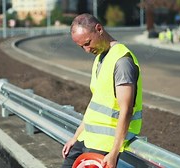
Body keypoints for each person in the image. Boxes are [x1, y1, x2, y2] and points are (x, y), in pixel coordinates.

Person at [61, 13, 143, 168]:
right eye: (81, 47)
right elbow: (96, 105)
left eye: (87, 43)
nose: (86, 50)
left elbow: (126, 110)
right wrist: (76, 137)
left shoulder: (122, 61)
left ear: (99, 29)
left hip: (106, 144)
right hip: (88, 138)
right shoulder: (100, 57)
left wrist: (114, 152)